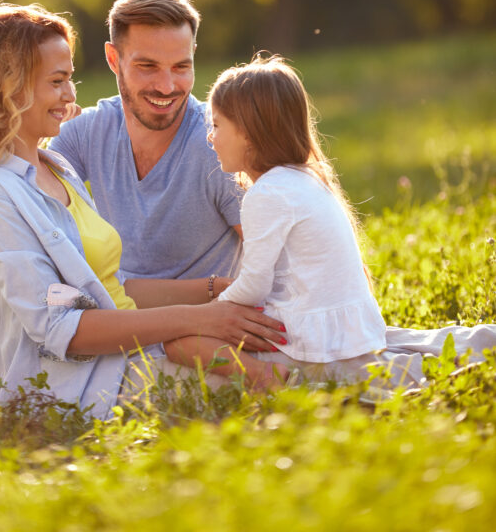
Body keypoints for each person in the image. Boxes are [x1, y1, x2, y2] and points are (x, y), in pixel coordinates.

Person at [0, 0, 278, 406]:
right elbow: (11, 189)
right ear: (114, 59)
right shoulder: (78, 140)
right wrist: (26, 116)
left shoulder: (216, 145)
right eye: (147, 66)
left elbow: (278, 264)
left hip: (156, 323)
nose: (167, 86)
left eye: (181, 67)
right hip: (101, 317)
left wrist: (217, 301)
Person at [164, 56, 496, 393]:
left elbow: (253, 287)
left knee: (179, 343)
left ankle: (271, 380)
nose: (210, 138)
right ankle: (475, 345)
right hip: (350, 330)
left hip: (309, 343)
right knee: (408, 351)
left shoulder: (266, 193)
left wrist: (207, 314)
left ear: (248, 133)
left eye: (217, 126)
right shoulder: (306, 178)